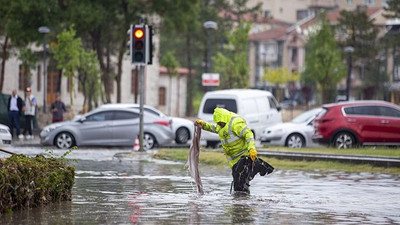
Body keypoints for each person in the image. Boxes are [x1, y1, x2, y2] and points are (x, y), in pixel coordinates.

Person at [196, 107, 274, 193]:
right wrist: (203, 125)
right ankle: (242, 203)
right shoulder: (221, 125)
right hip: (234, 161)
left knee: (240, 185)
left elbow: (248, 134)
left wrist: (252, 148)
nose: (219, 124)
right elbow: (214, 128)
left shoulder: (235, 123)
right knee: (239, 185)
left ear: (224, 119)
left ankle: (242, 204)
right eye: (218, 123)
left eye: (220, 123)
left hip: (244, 158)